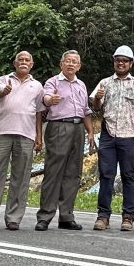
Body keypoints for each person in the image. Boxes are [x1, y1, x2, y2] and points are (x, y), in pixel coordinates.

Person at [0, 50, 45, 231]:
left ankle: (14, 218)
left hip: (27, 135)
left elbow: (38, 112)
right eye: (20, 59)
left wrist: (39, 136)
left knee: (20, 177)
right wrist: (3, 91)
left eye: (27, 60)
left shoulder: (37, 86)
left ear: (32, 64)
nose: (23, 62)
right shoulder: (2, 80)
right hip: (2, 133)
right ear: (15, 63)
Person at [89, 45, 134, 231]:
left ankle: (128, 216)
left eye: (124, 60)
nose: (121, 63)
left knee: (128, 175)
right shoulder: (104, 83)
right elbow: (97, 107)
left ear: (131, 64)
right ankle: (103, 216)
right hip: (108, 135)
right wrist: (98, 98)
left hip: (130, 135)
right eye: (118, 60)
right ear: (114, 62)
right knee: (106, 175)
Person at [35, 49, 96, 231]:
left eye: (74, 62)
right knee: (54, 171)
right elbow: (45, 98)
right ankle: (45, 216)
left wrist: (90, 132)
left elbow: (85, 110)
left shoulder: (81, 85)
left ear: (79, 66)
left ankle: (66, 216)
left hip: (78, 128)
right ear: (61, 64)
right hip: (59, 126)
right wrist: (49, 99)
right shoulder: (53, 81)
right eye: (67, 61)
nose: (71, 64)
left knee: (73, 172)